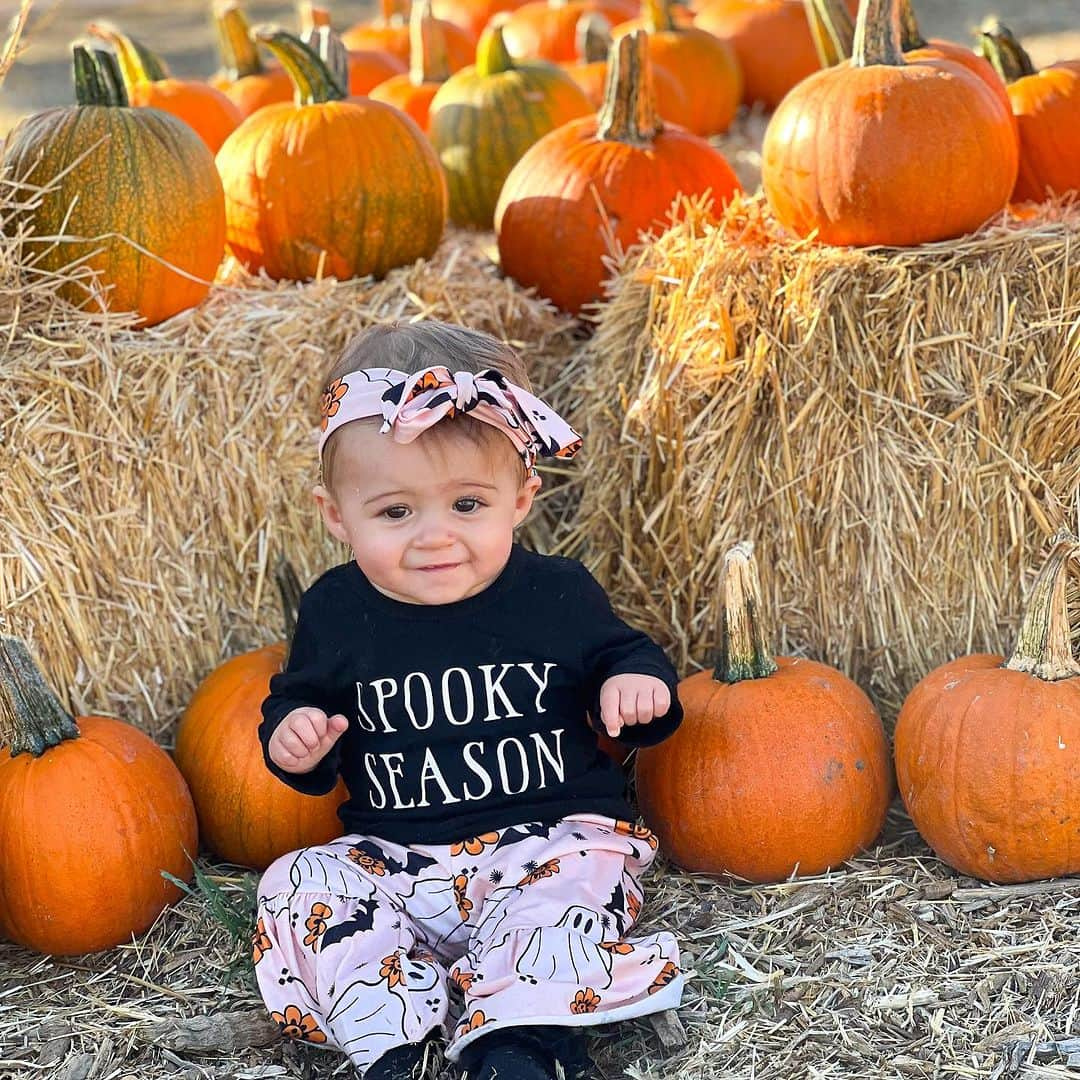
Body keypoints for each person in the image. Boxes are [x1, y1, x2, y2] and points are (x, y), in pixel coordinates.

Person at [254, 321, 685, 1080]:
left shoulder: (556, 593)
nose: (434, 537)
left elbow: (624, 652)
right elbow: (300, 697)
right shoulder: (335, 609)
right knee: (299, 883)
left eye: (467, 505)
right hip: (395, 859)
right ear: (336, 515)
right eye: (395, 513)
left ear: (521, 499)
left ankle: (516, 1042)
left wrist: (634, 683)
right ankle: (394, 1043)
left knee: (571, 893)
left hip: (541, 847)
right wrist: (296, 736)